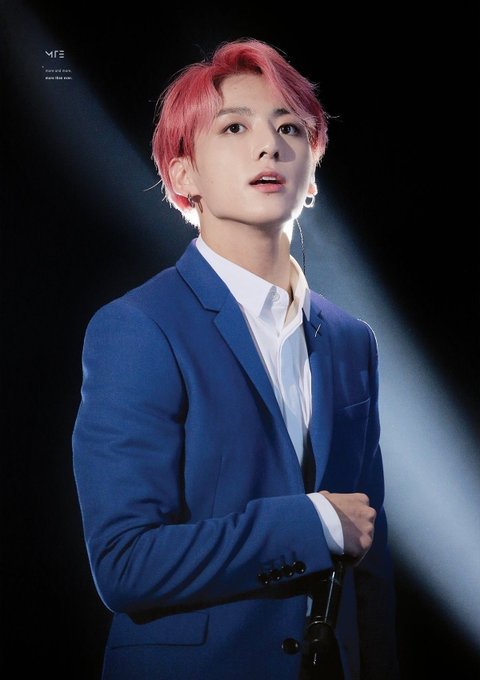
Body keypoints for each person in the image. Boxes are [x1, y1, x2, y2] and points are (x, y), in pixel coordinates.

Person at [72, 38, 400, 680]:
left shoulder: (352, 340)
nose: (269, 145)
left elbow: (370, 559)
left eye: (289, 128)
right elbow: (124, 564)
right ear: (182, 175)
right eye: (234, 127)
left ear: (312, 171)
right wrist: (311, 521)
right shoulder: (138, 328)